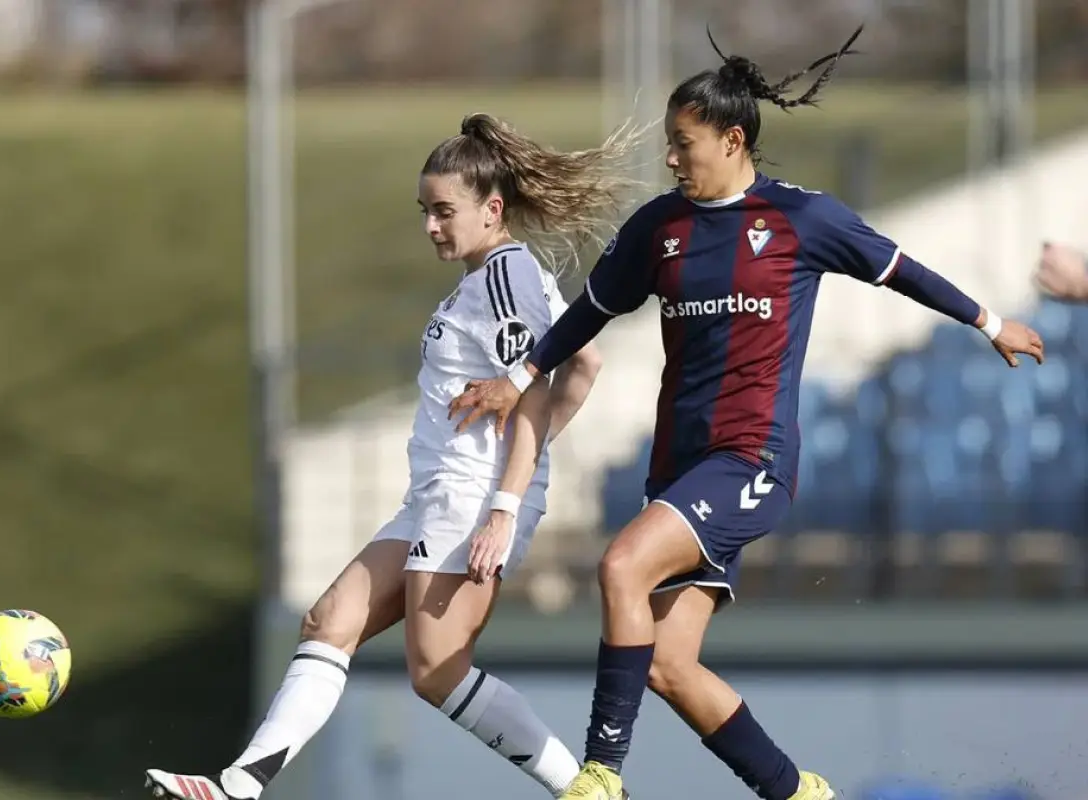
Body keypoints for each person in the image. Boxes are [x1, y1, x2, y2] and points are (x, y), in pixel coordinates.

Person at [448, 27, 1046, 800]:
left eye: (682, 143)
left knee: (620, 566)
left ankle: (601, 774)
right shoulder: (658, 229)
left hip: (751, 460)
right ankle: (796, 791)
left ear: (733, 139)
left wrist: (990, 324)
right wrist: (519, 375)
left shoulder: (803, 220)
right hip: (678, 467)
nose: (669, 158)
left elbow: (899, 269)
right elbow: (586, 318)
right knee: (669, 662)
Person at [144, 112, 648, 800]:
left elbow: (533, 391)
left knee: (437, 671)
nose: (430, 226)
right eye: (425, 211)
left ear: (491, 209)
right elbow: (582, 362)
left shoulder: (504, 282)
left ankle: (584, 789)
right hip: (440, 496)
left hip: (472, 498)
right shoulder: (498, 279)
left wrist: (505, 502)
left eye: (444, 211)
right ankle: (241, 785)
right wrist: (520, 457)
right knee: (329, 621)